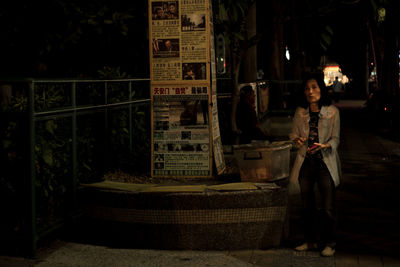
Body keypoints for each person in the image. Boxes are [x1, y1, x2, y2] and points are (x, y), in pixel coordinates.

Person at [289, 72, 341, 257]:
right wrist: (298, 141)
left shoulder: (332, 112)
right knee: (306, 205)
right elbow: (293, 135)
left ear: (321, 89)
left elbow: (336, 139)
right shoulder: (300, 112)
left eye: (314, 87)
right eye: (307, 88)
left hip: (325, 163)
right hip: (305, 163)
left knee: (327, 206)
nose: (310, 92)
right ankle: (309, 240)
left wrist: (326, 145)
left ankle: (329, 243)